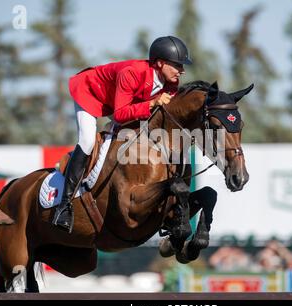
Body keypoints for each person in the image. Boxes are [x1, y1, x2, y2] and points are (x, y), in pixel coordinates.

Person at [52, 36, 192, 233]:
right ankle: (64, 206)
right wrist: (151, 104)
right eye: (177, 65)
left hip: (119, 100)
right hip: (91, 92)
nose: (182, 70)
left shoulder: (171, 84)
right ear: (160, 63)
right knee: (87, 140)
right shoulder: (132, 73)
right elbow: (120, 114)